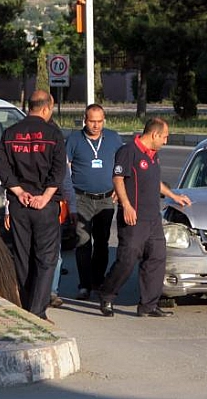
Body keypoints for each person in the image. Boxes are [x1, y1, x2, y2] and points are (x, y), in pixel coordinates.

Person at [99, 118, 191, 318]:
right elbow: (117, 178)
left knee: (156, 258)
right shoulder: (128, 151)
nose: (166, 141)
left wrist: (173, 196)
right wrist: (126, 205)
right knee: (127, 260)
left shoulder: (153, 155)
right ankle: (107, 294)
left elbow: (155, 181)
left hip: (153, 218)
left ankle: (148, 305)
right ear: (155, 134)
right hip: (134, 218)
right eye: (165, 137)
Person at [0, 90, 66, 320]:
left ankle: (27, 305)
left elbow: (3, 170)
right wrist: (45, 197)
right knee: (46, 259)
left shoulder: (10, 133)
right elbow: (58, 171)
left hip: (20, 205)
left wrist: (19, 192)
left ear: (29, 107)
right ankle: (38, 310)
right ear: (46, 108)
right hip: (44, 206)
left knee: (23, 256)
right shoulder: (53, 134)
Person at [64, 104, 123, 300]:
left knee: (102, 242)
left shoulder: (113, 138)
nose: (96, 125)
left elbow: (122, 166)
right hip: (82, 198)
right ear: (84, 119)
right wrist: (69, 197)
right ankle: (84, 285)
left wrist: (119, 189)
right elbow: (65, 168)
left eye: (99, 121)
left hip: (106, 198)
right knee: (82, 241)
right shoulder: (74, 139)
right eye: (92, 121)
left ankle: (98, 281)